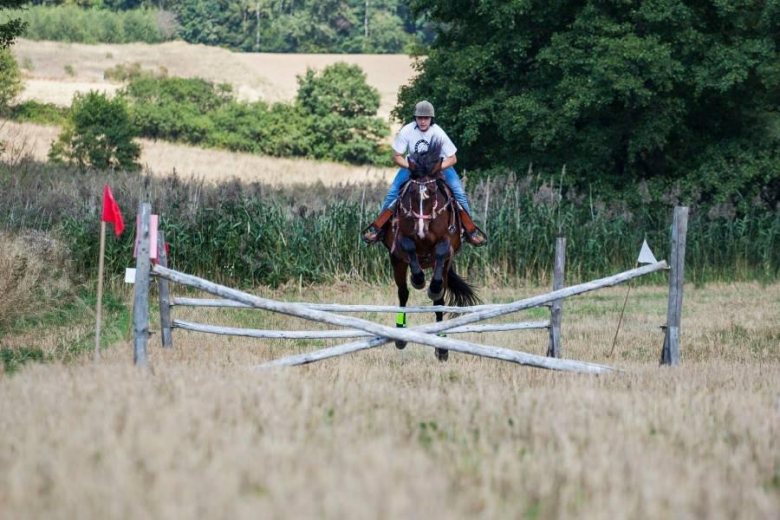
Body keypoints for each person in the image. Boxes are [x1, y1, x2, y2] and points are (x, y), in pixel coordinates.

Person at [362, 100, 486, 247]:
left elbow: (453, 158)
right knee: (393, 191)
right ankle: (378, 229)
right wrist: (411, 167)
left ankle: (470, 232)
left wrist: (437, 167)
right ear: (415, 118)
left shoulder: (438, 133)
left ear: (431, 119)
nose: (422, 121)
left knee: (458, 192)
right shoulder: (407, 131)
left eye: (425, 118)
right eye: (419, 118)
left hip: (438, 166)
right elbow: (396, 156)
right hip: (413, 165)